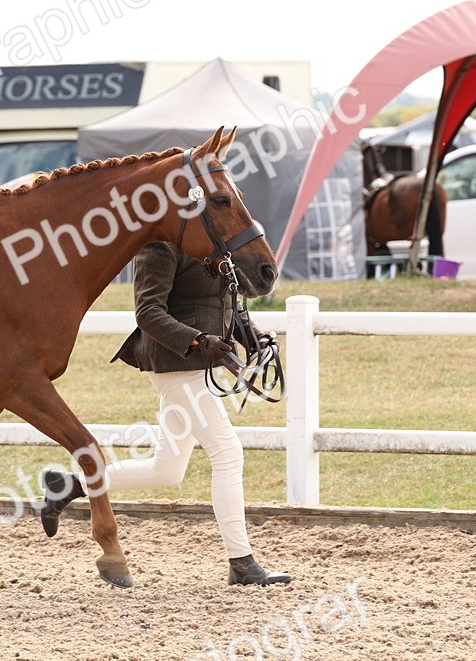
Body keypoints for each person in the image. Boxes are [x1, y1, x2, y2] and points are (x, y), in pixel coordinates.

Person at [39, 240, 292, 587]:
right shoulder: (159, 246)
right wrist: (198, 339)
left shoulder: (215, 240)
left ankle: (68, 485)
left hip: (199, 366)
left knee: (167, 468)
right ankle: (242, 563)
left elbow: (230, 301)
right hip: (175, 364)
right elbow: (147, 312)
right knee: (228, 453)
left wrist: (255, 338)